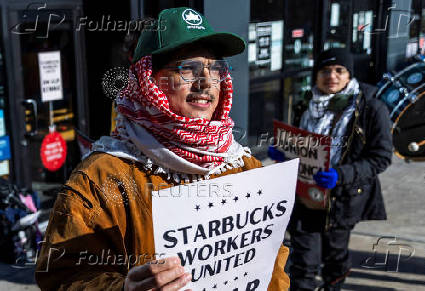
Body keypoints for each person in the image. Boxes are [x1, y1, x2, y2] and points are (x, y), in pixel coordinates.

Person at [35, 7, 290, 291]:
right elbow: (61, 275)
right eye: (188, 68)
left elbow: (272, 266)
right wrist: (124, 289)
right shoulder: (99, 180)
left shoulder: (245, 168)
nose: (206, 83)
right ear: (149, 81)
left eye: (215, 68)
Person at [270, 48, 393, 290]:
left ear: (349, 74)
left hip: (343, 200)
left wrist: (341, 175)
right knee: (303, 262)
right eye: (325, 70)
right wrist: (284, 152)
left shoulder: (371, 108)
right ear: (316, 75)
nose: (332, 76)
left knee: (335, 258)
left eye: (339, 70)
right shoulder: (304, 102)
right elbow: (299, 143)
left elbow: (381, 157)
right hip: (305, 195)